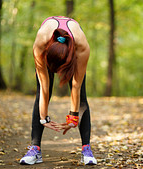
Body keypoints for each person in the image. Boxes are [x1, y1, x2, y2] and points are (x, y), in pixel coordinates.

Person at [19, 16, 97, 165]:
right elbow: (44, 87)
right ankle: (35, 149)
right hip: (48, 50)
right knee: (41, 93)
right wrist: (44, 118)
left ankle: (86, 149)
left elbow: (76, 86)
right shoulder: (40, 45)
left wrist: (72, 119)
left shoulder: (82, 47)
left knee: (82, 97)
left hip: (72, 52)